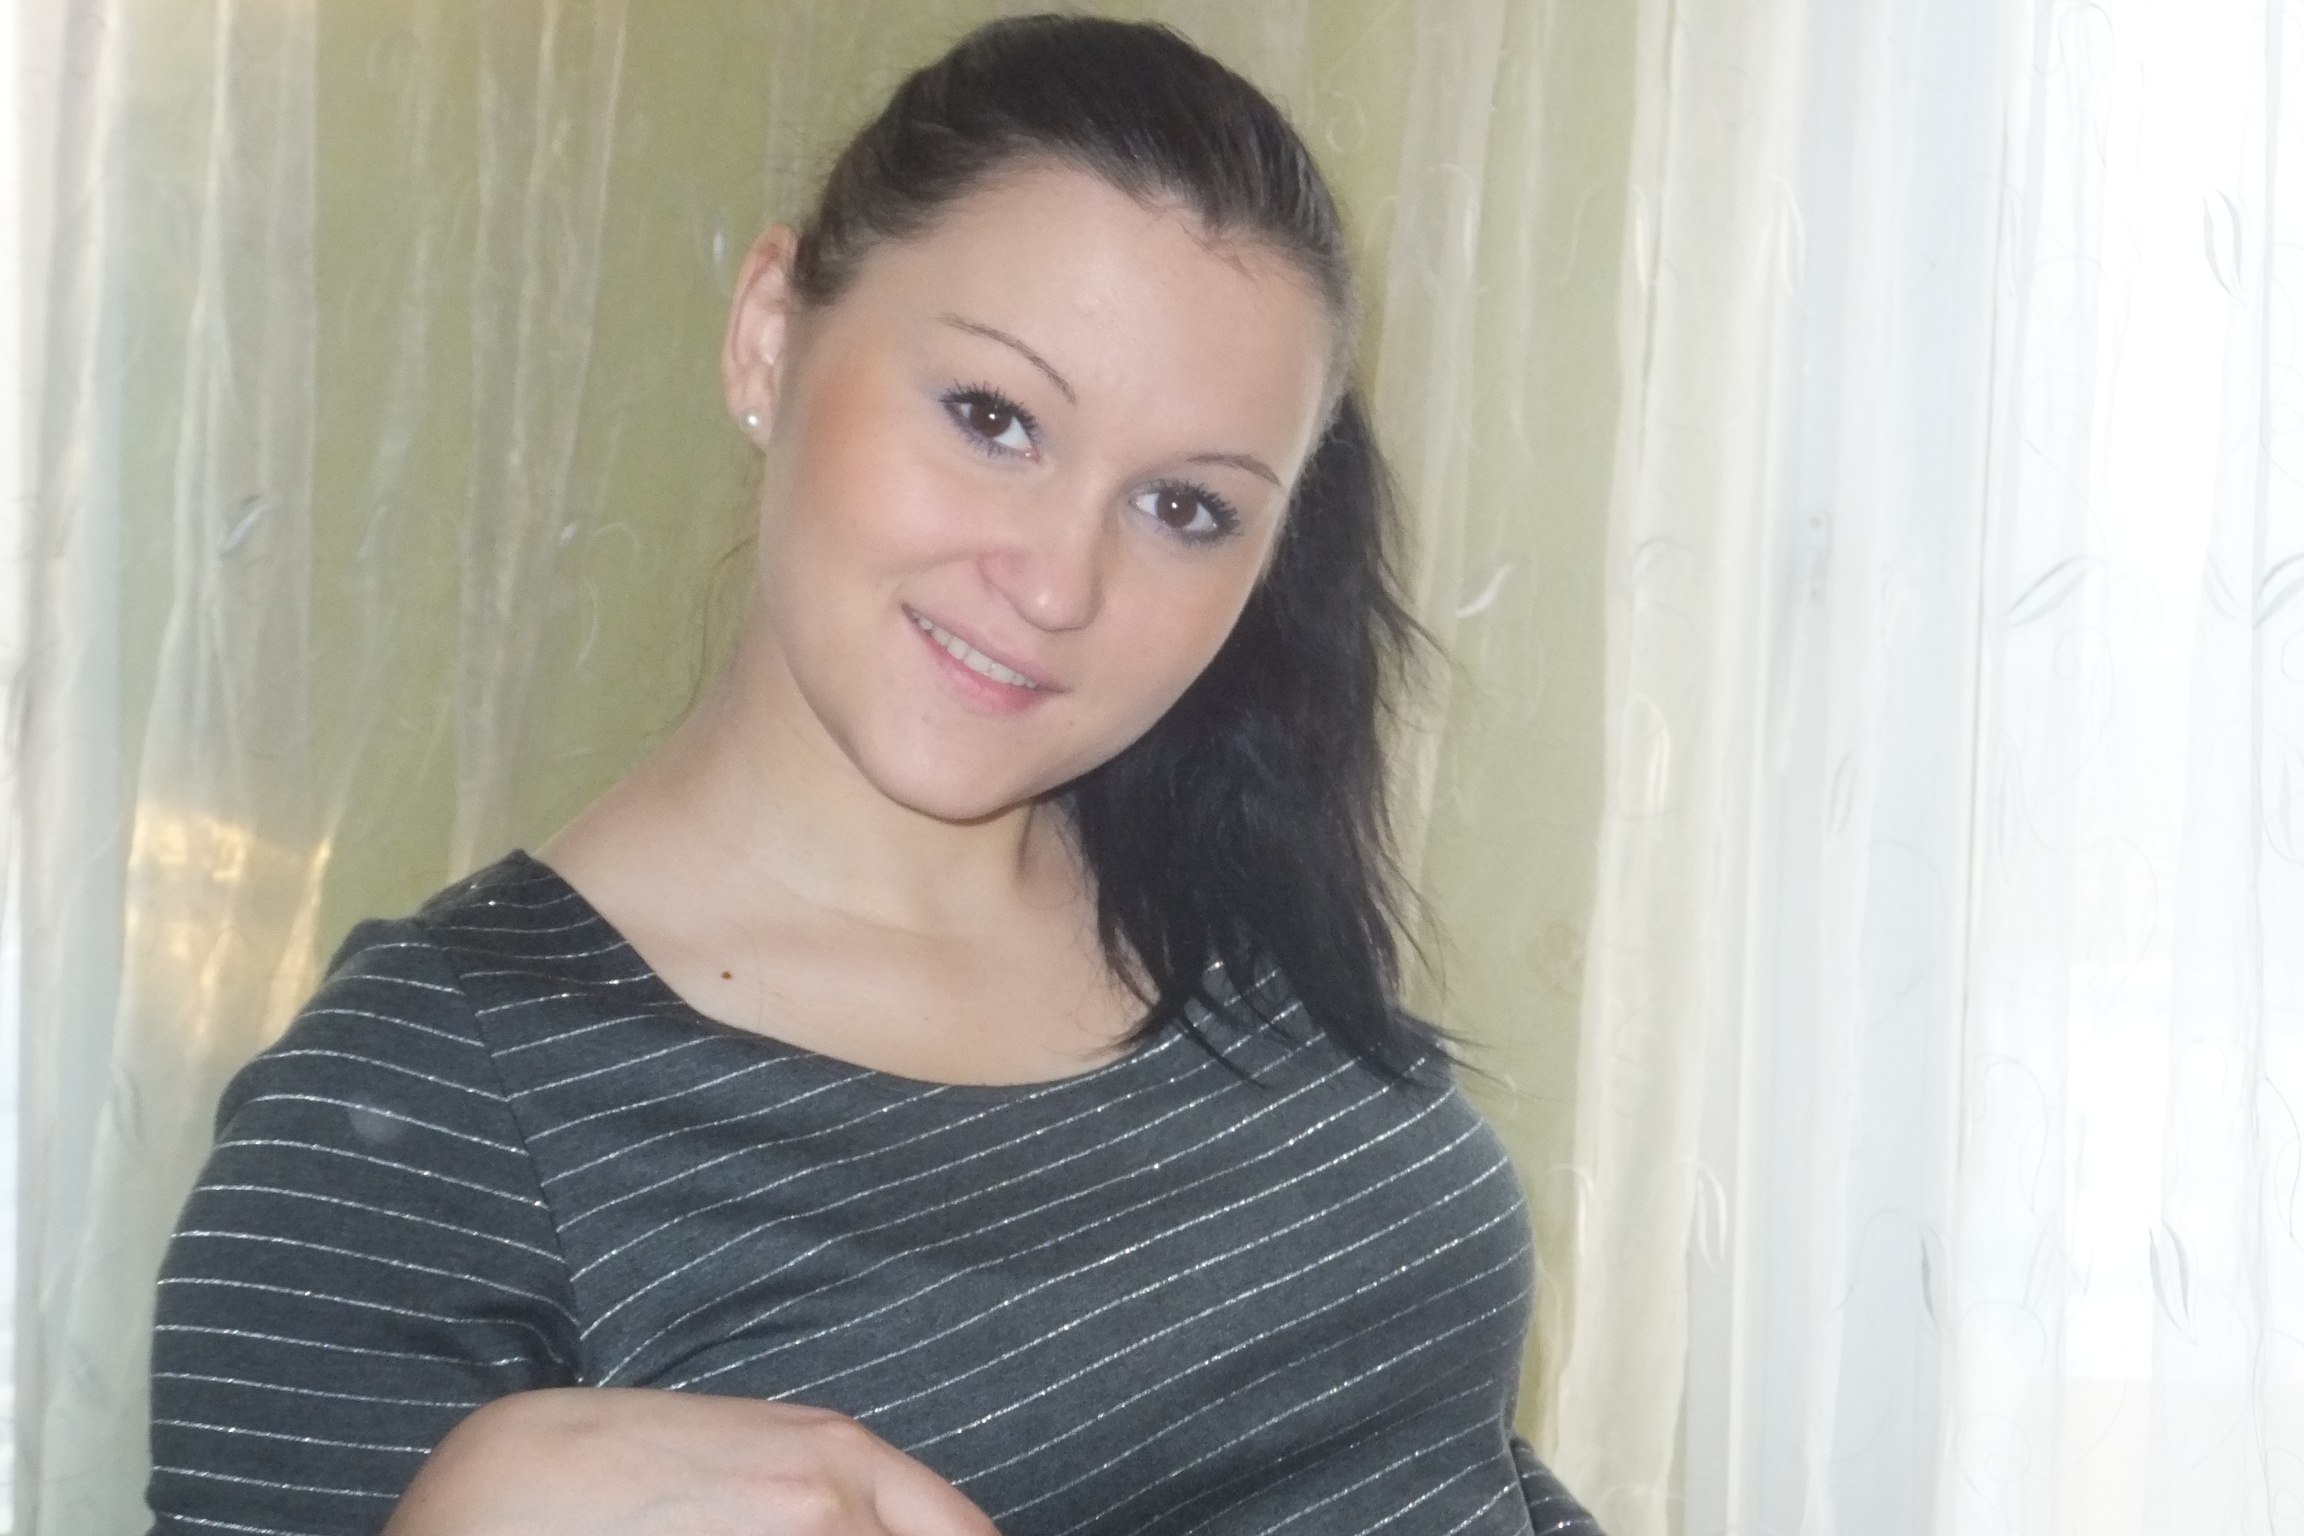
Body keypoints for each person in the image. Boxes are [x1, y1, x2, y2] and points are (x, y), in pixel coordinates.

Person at [146, 14, 1604, 1535]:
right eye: (994, 419)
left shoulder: (1226, 908)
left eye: (1185, 507)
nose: (1057, 584)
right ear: (768, 335)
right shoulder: (428, 1110)